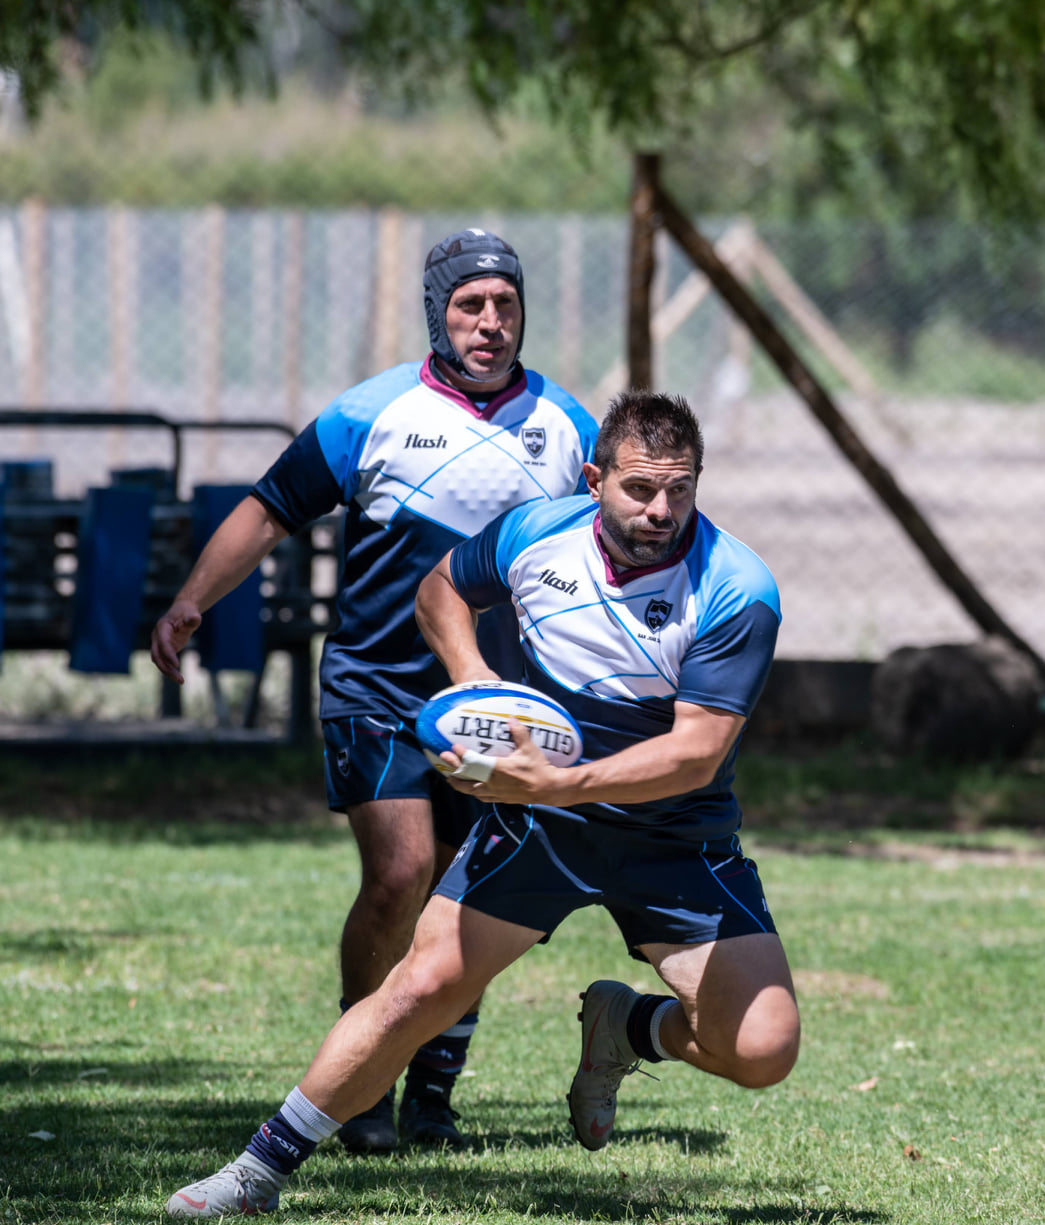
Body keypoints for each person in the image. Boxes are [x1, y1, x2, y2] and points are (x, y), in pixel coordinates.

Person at [165, 392, 797, 1218]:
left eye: (680, 489)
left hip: (673, 835)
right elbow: (440, 590)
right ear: (592, 478)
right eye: (639, 488)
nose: (661, 510)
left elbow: (696, 751)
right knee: (418, 988)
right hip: (540, 827)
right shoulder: (536, 532)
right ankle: (255, 1171)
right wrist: (476, 682)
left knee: (762, 1049)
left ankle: (624, 1026)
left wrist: (559, 781)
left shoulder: (736, 586)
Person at [151, 229, 597, 1154]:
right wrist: (192, 599)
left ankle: (434, 1090)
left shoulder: (566, 427)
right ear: (439, 312)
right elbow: (268, 507)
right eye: (471, 305)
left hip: (496, 705)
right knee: (399, 876)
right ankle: (361, 1075)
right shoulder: (373, 413)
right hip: (377, 688)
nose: (490, 322)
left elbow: (612, 551)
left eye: (505, 304)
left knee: (465, 901)